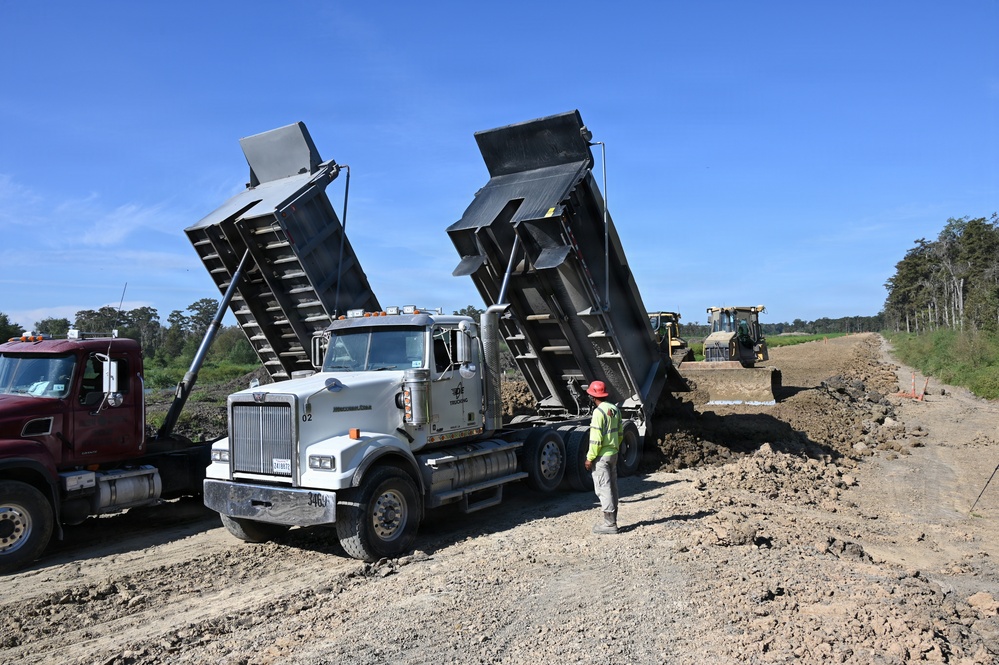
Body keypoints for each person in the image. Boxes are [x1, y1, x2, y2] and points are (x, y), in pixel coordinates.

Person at [584, 380, 622, 535]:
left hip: (601, 457)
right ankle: (613, 519)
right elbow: (620, 433)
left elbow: (596, 439)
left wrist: (590, 458)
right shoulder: (615, 409)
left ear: (593, 397)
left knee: (603, 488)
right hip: (613, 453)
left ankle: (609, 524)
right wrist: (614, 448)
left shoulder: (598, 413)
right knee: (612, 487)